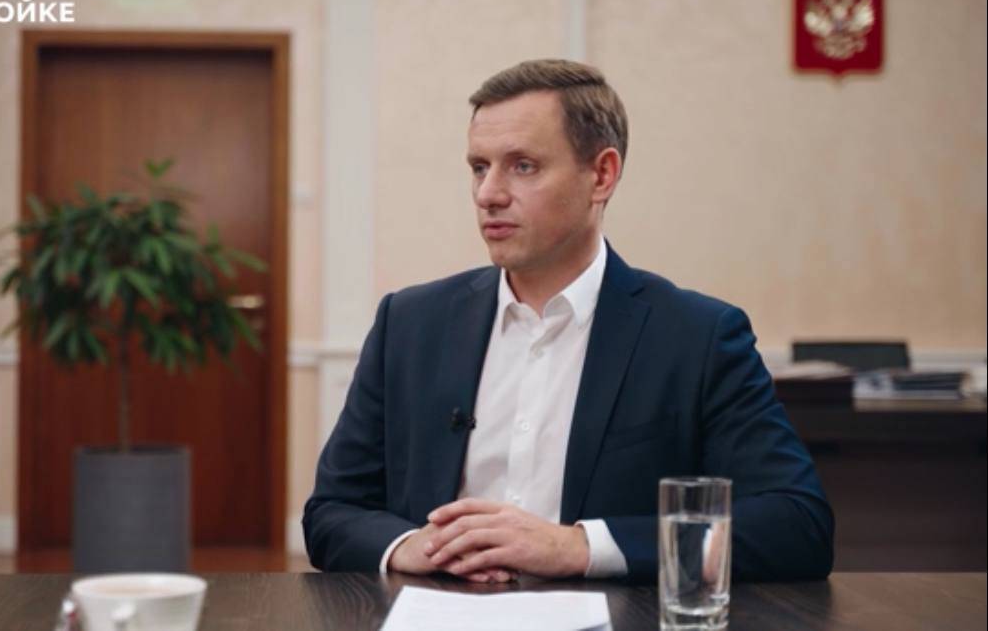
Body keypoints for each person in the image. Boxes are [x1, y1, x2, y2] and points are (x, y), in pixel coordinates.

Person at [302, 59, 834, 583]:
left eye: (523, 166)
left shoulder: (697, 336)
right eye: (479, 167)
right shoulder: (409, 324)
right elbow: (332, 512)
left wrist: (578, 547)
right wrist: (413, 546)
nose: (488, 194)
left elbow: (797, 526)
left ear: (601, 175)